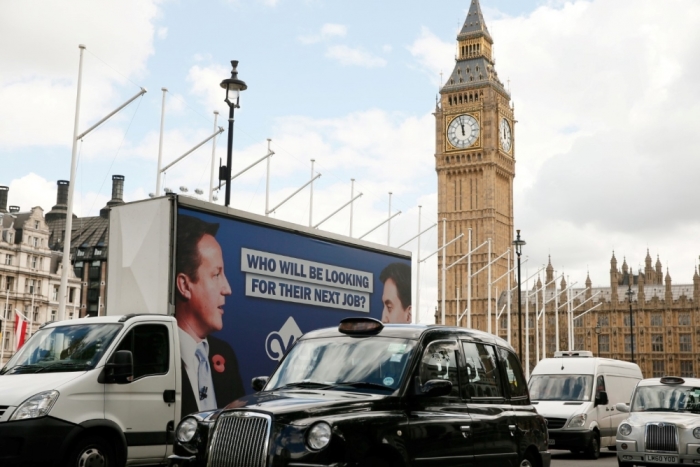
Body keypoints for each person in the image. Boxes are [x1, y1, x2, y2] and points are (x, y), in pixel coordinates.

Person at [175, 214, 244, 416]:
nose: (227, 288)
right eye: (216, 275)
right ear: (185, 285)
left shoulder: (225, 355)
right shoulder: (159, 358)